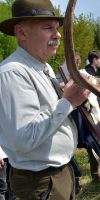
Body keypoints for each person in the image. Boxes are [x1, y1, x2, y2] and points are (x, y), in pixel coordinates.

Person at [0, 0, 90, 199]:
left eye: (57, 28)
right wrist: (68, 102)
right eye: (48, 27)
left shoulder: (44, 68)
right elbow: (24, 138)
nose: (57, 35)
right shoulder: (13, 73)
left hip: (57, 175)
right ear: (22, 33)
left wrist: (68, 97)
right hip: (39, 182)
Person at [83, 50, 100, 180]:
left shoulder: (91, 73)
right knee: (93, 143)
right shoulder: (87, 73)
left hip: (92, 112)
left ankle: (97, 172)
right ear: (95, 59)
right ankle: (96, 174)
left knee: (95, 143)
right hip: (89, 113)